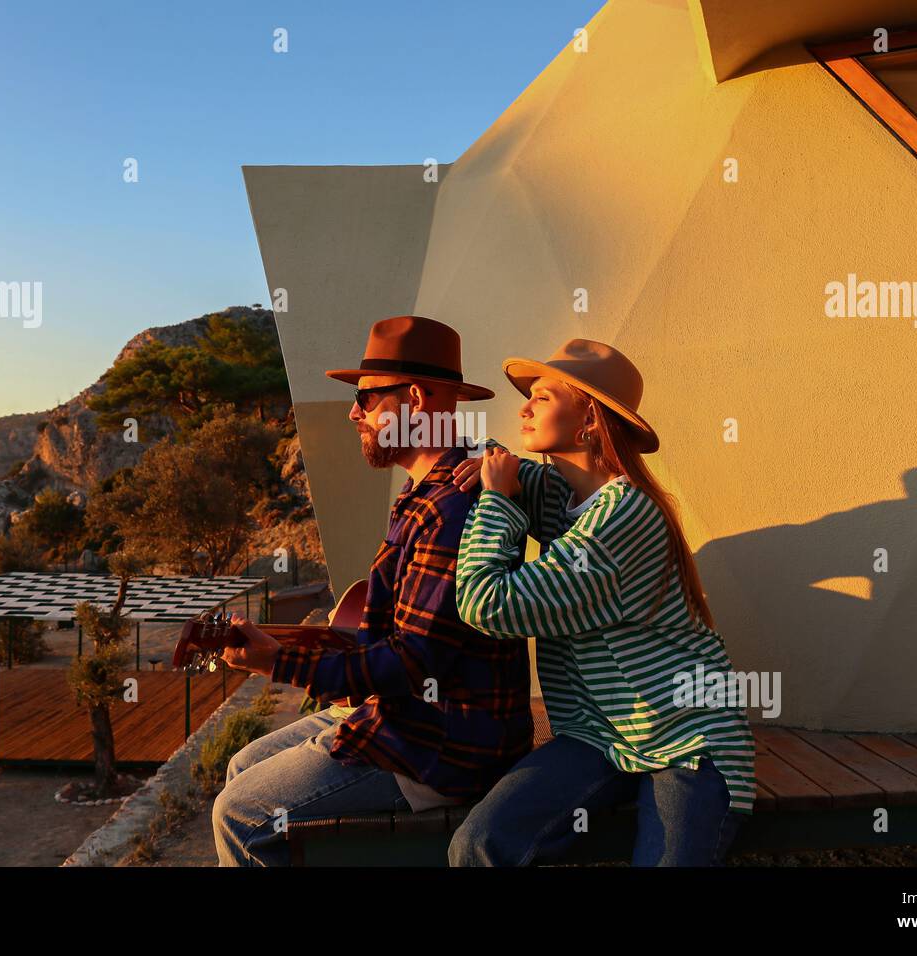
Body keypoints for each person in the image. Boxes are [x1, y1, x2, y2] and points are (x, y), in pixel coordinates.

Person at [211, 314, 533, 866]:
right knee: (241, 769)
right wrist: (287, 649)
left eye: (366, 397)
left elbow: (414, 661)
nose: (353, 411)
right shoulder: (431, 489)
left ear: (413, 398)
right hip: (417, 717)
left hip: (443, 744)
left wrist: (278, 664)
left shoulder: (449, 506)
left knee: (238, 813)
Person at [448, 337, 756, 866]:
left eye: (542, 398)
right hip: (596, 736)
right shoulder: (561, 492)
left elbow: (485, 602)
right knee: (480, 845)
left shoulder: (622, 516)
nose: (523, 406)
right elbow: (525, 473)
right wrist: (498, 467)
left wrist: (496, 500)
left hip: (685, 739)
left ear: (589, 418)